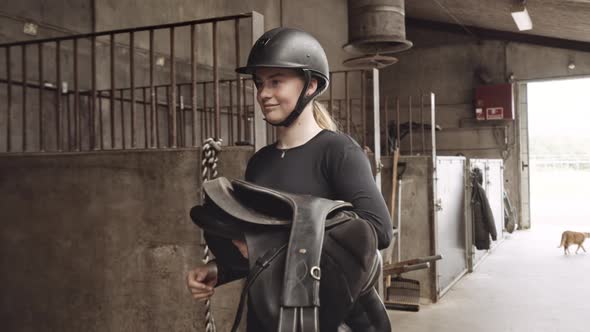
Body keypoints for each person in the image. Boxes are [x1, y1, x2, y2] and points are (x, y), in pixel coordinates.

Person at [187, 27, 393, 331]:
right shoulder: (260, 162)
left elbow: (378, 231)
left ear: (310, 85)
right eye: (259, 83)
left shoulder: (337, 151)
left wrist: (269, 239)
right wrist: (220, 270)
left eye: (276, 82)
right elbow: (260, 252)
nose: (263, 93)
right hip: (269, 315)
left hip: (326, 315)